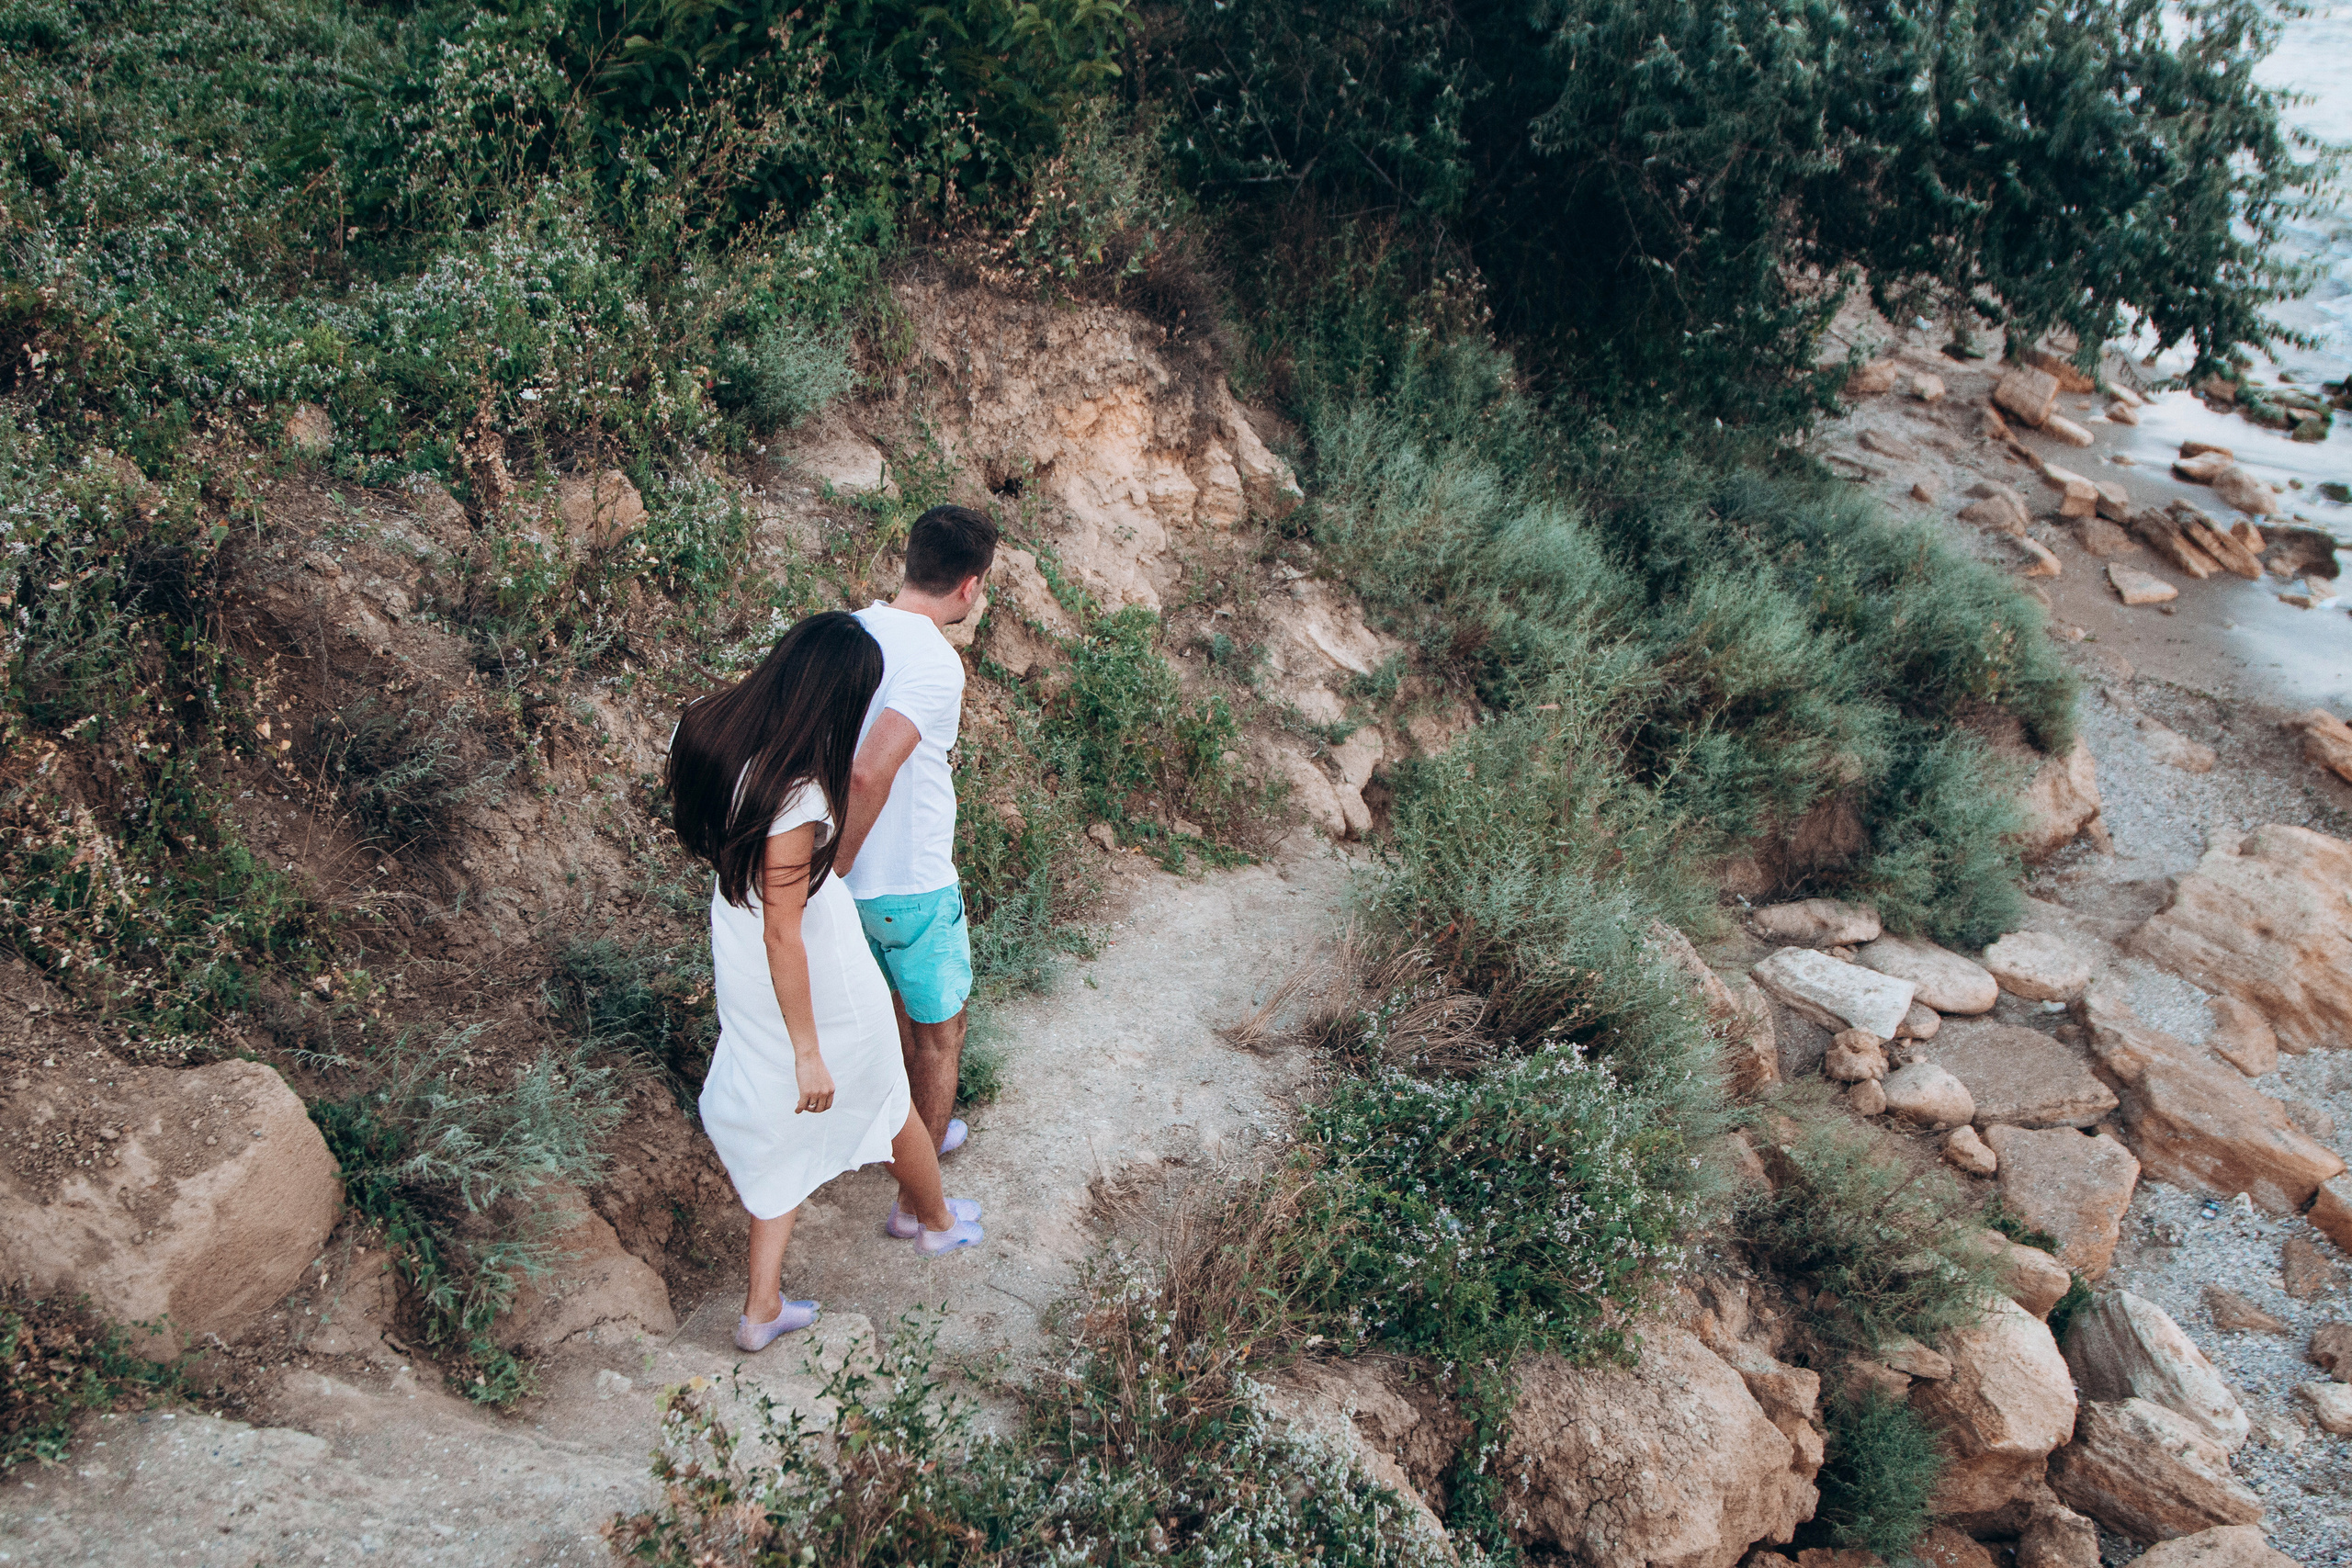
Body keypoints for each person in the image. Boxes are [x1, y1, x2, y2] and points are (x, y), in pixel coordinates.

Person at [669, 610, 984, 1355]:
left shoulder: (707, 727)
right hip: (810, 964)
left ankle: (762, 1306)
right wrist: (809, 1049)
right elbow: (787, 931)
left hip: (738, 939)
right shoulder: (797, 793)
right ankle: (934, 1221)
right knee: (887, 1096)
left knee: (783, 1119)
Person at [835, 504, 998, 1214]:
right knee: (940, 1036)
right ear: (968, 585)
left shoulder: (846, 633)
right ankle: (916, 1201)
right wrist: (838, 862)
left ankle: (908, 1142)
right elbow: (869, 771)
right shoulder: (934, 659)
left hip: (848, 894)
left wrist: (826, 869)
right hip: (912, 884)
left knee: (895, 1022)